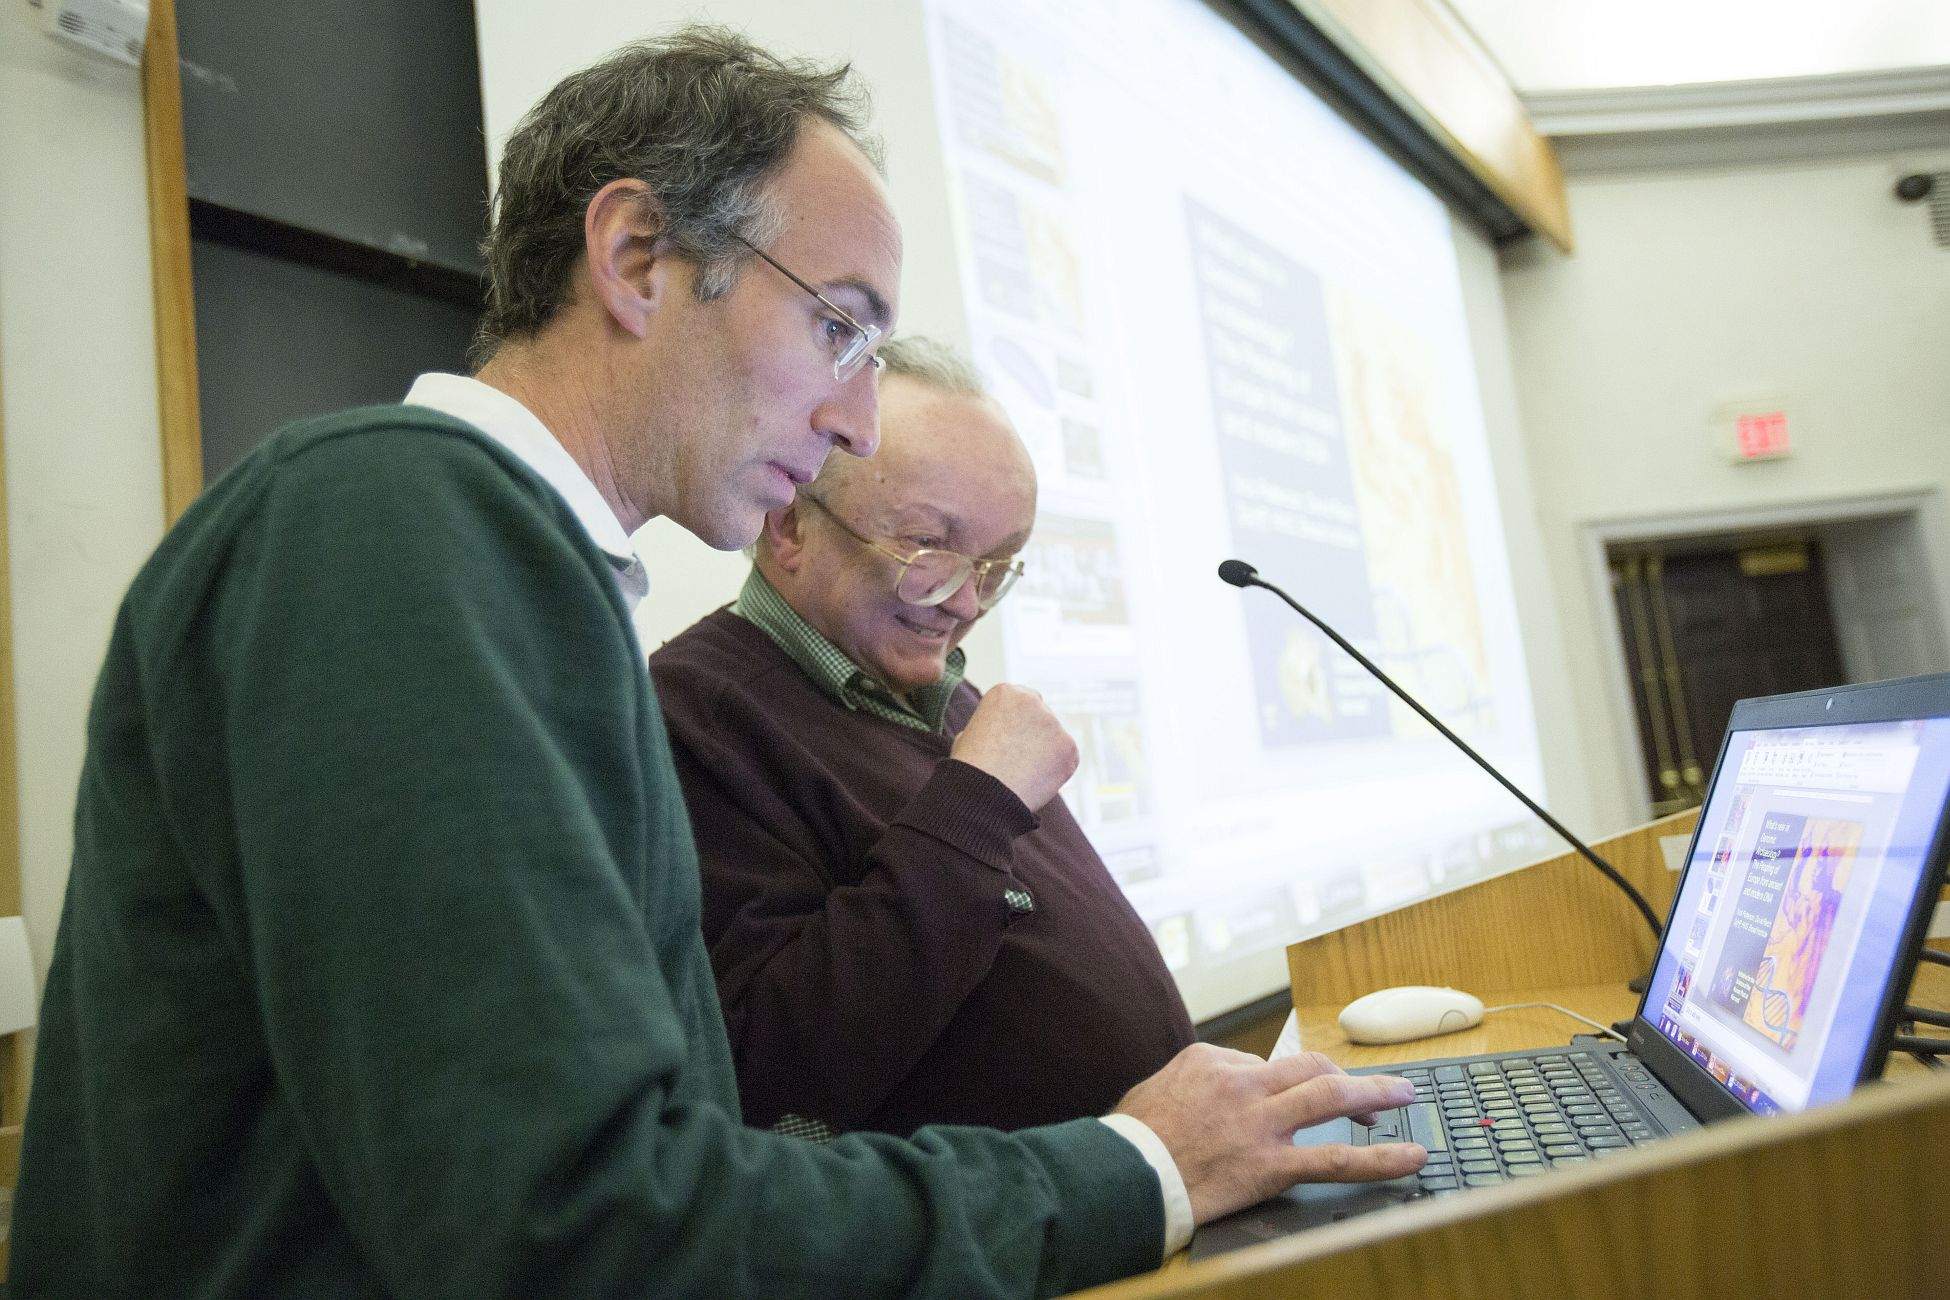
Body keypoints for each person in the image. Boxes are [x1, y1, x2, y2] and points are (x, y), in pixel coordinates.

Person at [10, 28, 1423, 1299]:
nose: (858, 419)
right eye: (838, 329)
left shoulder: (497, 566)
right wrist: (1134, 1170)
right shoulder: (392, 525)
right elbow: (583, 1230)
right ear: (635, 259)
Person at [650, 336, 1195, 1140]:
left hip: (1168, 1192)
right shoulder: (693, 718)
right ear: (790, 522)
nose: (966, 604)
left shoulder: (942, 695)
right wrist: (977, 803)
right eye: (930, 548)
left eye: (997, 564)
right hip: (1013, 1242)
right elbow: (770, 1078)